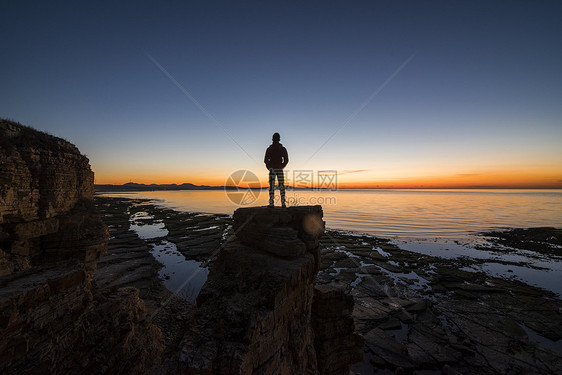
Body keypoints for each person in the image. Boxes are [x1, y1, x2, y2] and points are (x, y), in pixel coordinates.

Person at [264, 132, 289, 207]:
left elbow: (265, 160)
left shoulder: (270, 149)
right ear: (279, 139)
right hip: (278, 169)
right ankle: (283, 203)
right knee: (281, 186)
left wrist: (270, 168)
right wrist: (281, 166)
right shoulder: (282, 149)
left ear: (273, 139)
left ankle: (272, 203)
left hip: (273, 169)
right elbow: (286, 160)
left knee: (272, 186)